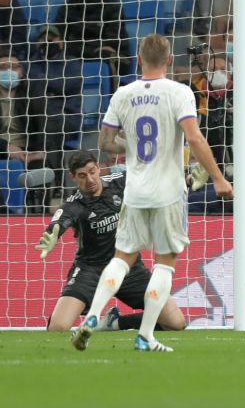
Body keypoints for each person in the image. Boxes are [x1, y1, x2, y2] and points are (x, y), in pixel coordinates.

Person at [71, 34, 232, 353]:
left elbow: (105, 142)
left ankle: (91, 316)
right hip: (168, 192)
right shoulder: (179, 92)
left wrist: (131, 148)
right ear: (170, 60)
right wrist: (218, 178)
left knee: (122, 259)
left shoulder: (123, 93)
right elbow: (194, 138)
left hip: (135, 190)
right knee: (163, 265)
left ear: (139, 60)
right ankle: (145, 334)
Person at [35, 153, 186, 335]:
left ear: (98, 168)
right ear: (73, 177)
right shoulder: (73, 205)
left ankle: (115, 323)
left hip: (129, 269)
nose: (90, 179)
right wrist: (51, 235)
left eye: (92, 172)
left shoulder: (120, 181)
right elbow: (58, 224)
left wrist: (188, 177)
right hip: (90, 271)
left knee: (176, 323)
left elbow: (157, 178)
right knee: (57, 328)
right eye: (82, 176)